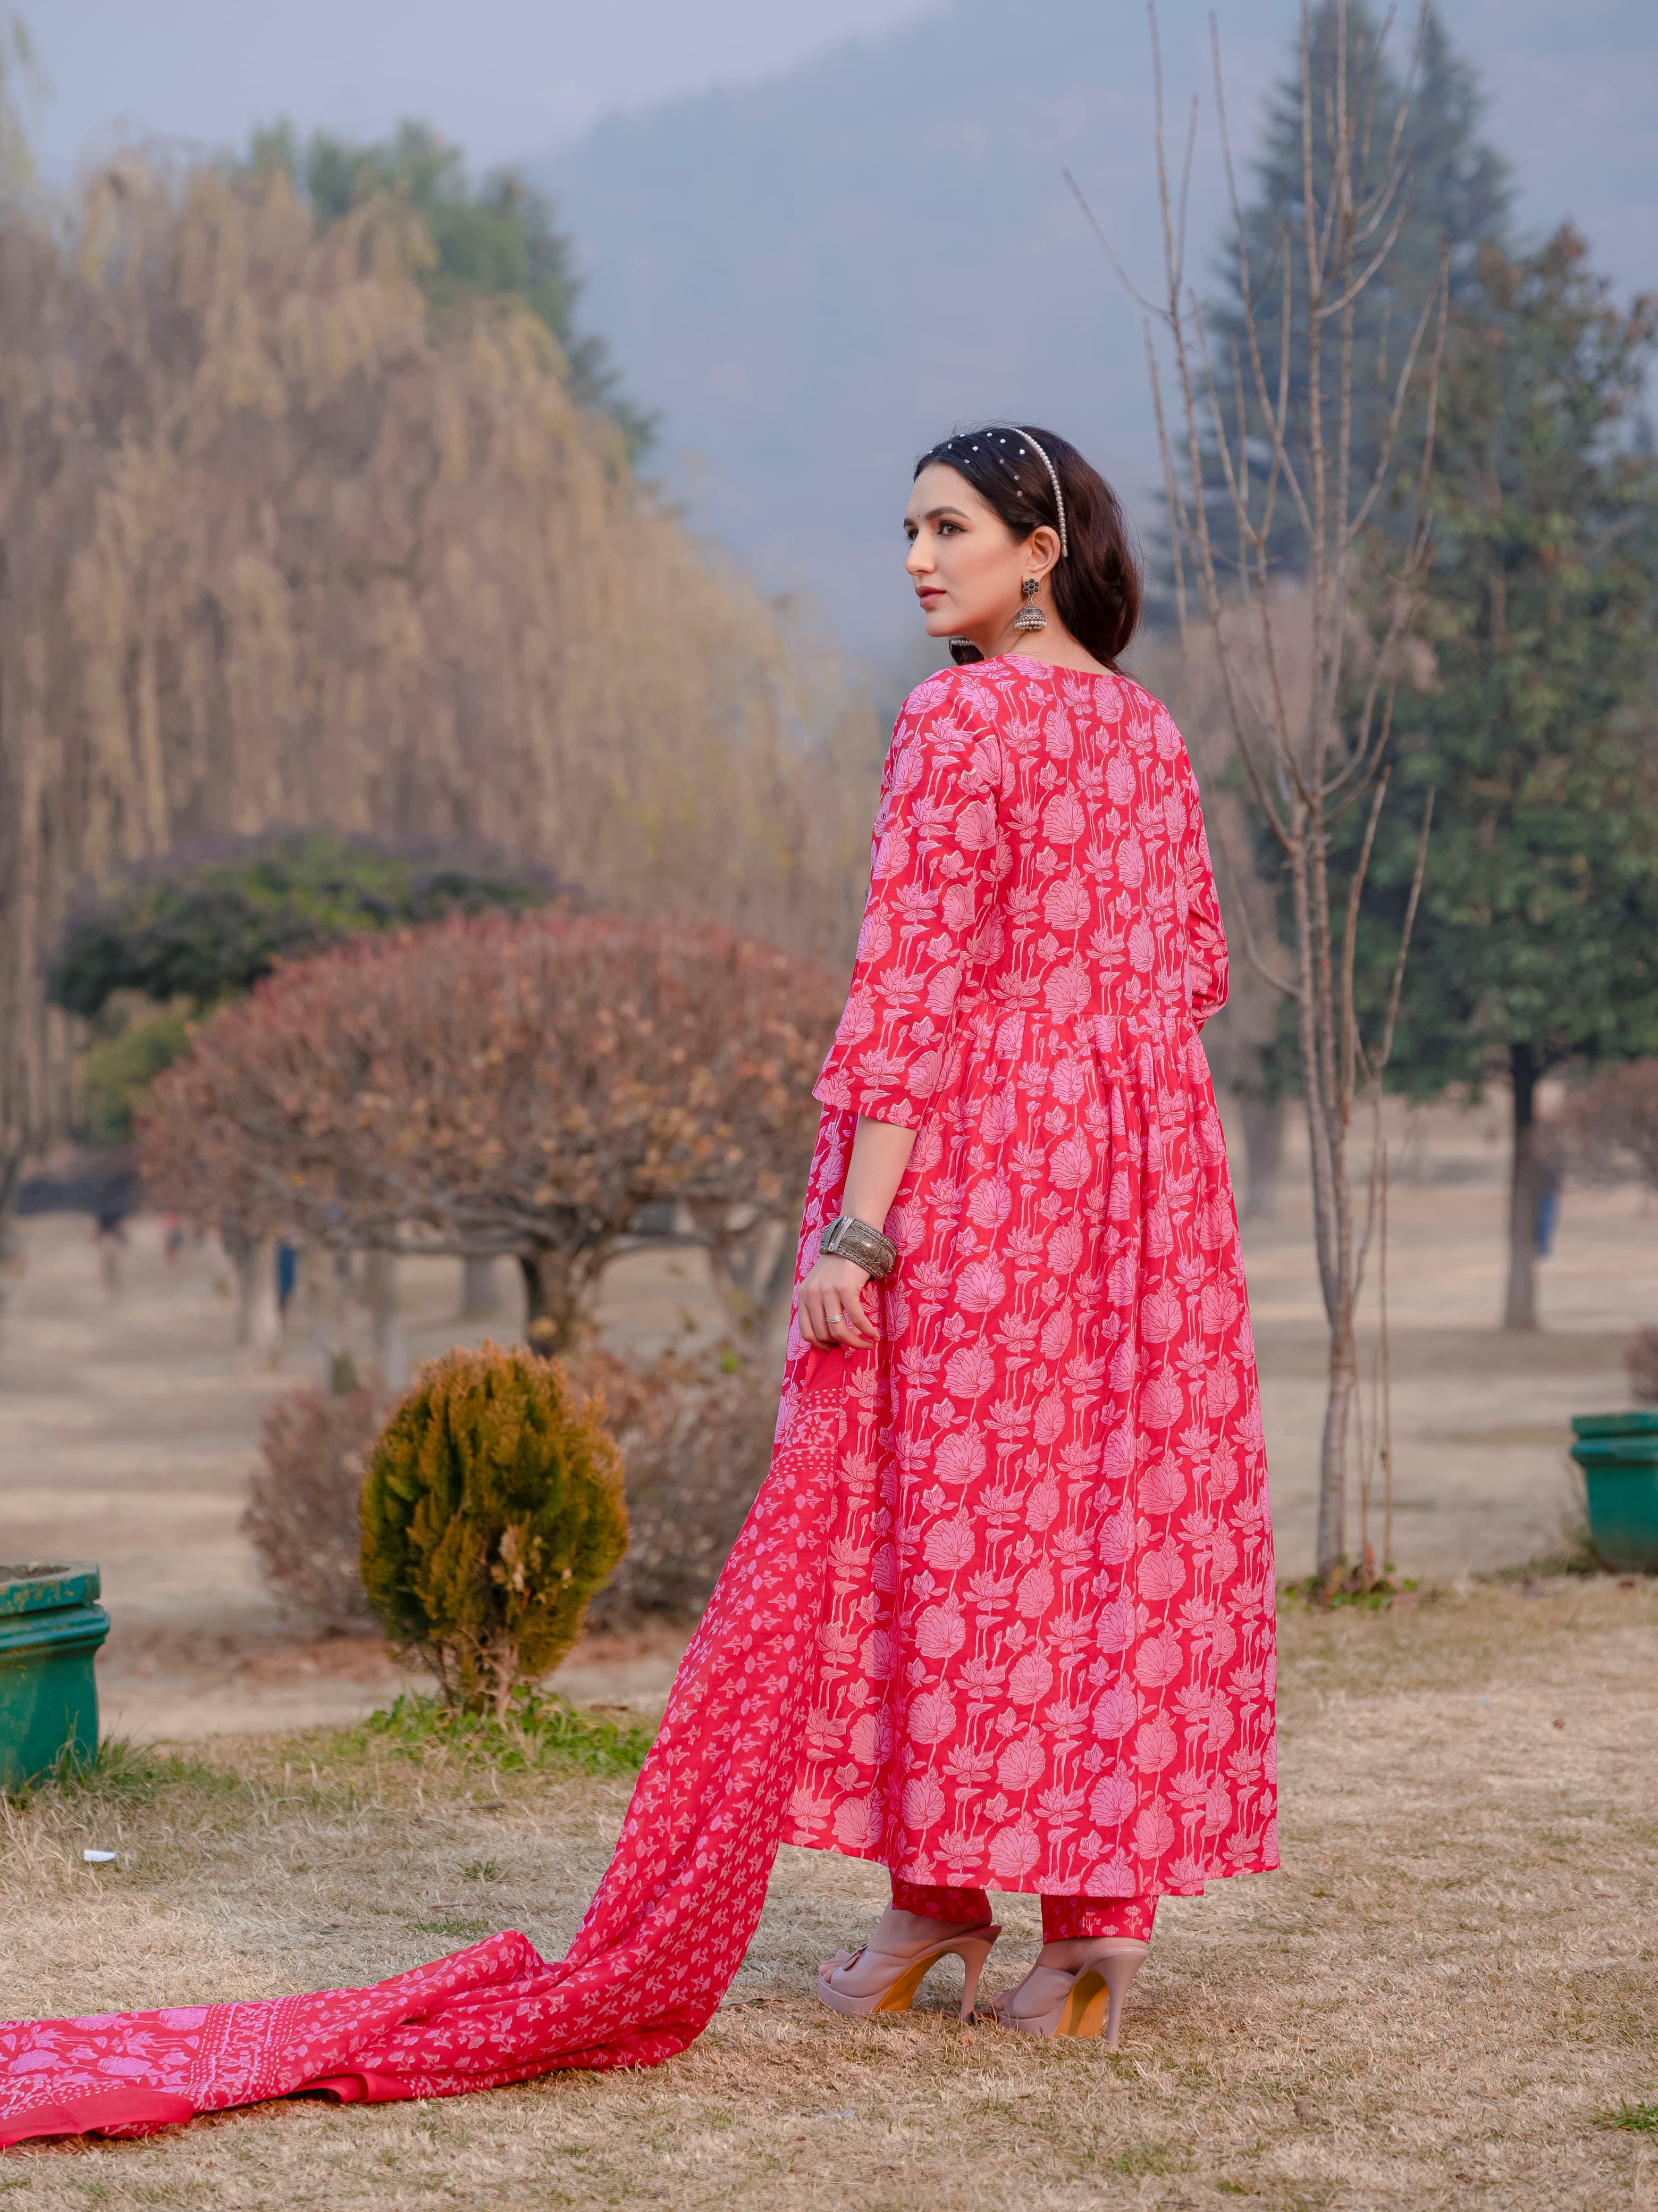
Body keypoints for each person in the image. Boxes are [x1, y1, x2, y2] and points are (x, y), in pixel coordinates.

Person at [0, 426, 1275, 2148]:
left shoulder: (957, 719)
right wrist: (1099, 1086)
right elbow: (1193, 966)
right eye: (904, 526)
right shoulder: (1144, 728)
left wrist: (861, 1232)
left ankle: (938, 1908)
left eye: (948, 528)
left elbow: (905, 991)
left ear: (1041, 547)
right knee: (1107, 1525)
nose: (913, 558)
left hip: (983, 1169)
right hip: (1141, 1185)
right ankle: (1098, 1938)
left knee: (939, 1527)